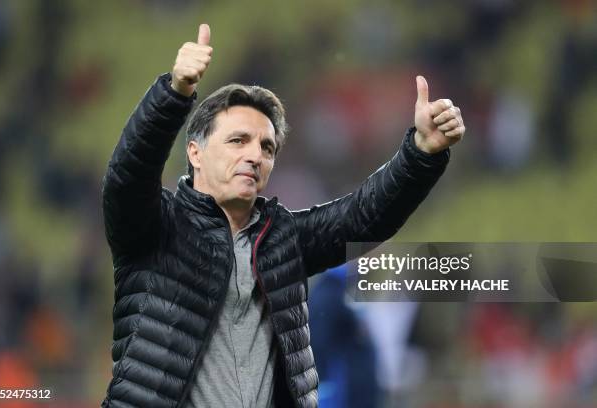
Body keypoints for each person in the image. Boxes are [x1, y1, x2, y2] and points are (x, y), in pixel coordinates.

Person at [100, 23, 465, 408]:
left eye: (267, 147)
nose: (255, 155)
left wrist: (421, 154)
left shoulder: (282, 238)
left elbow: (365, 216)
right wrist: (174, 94)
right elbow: (126, 178)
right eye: (238, 140)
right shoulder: (156, 227)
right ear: (195, 153)